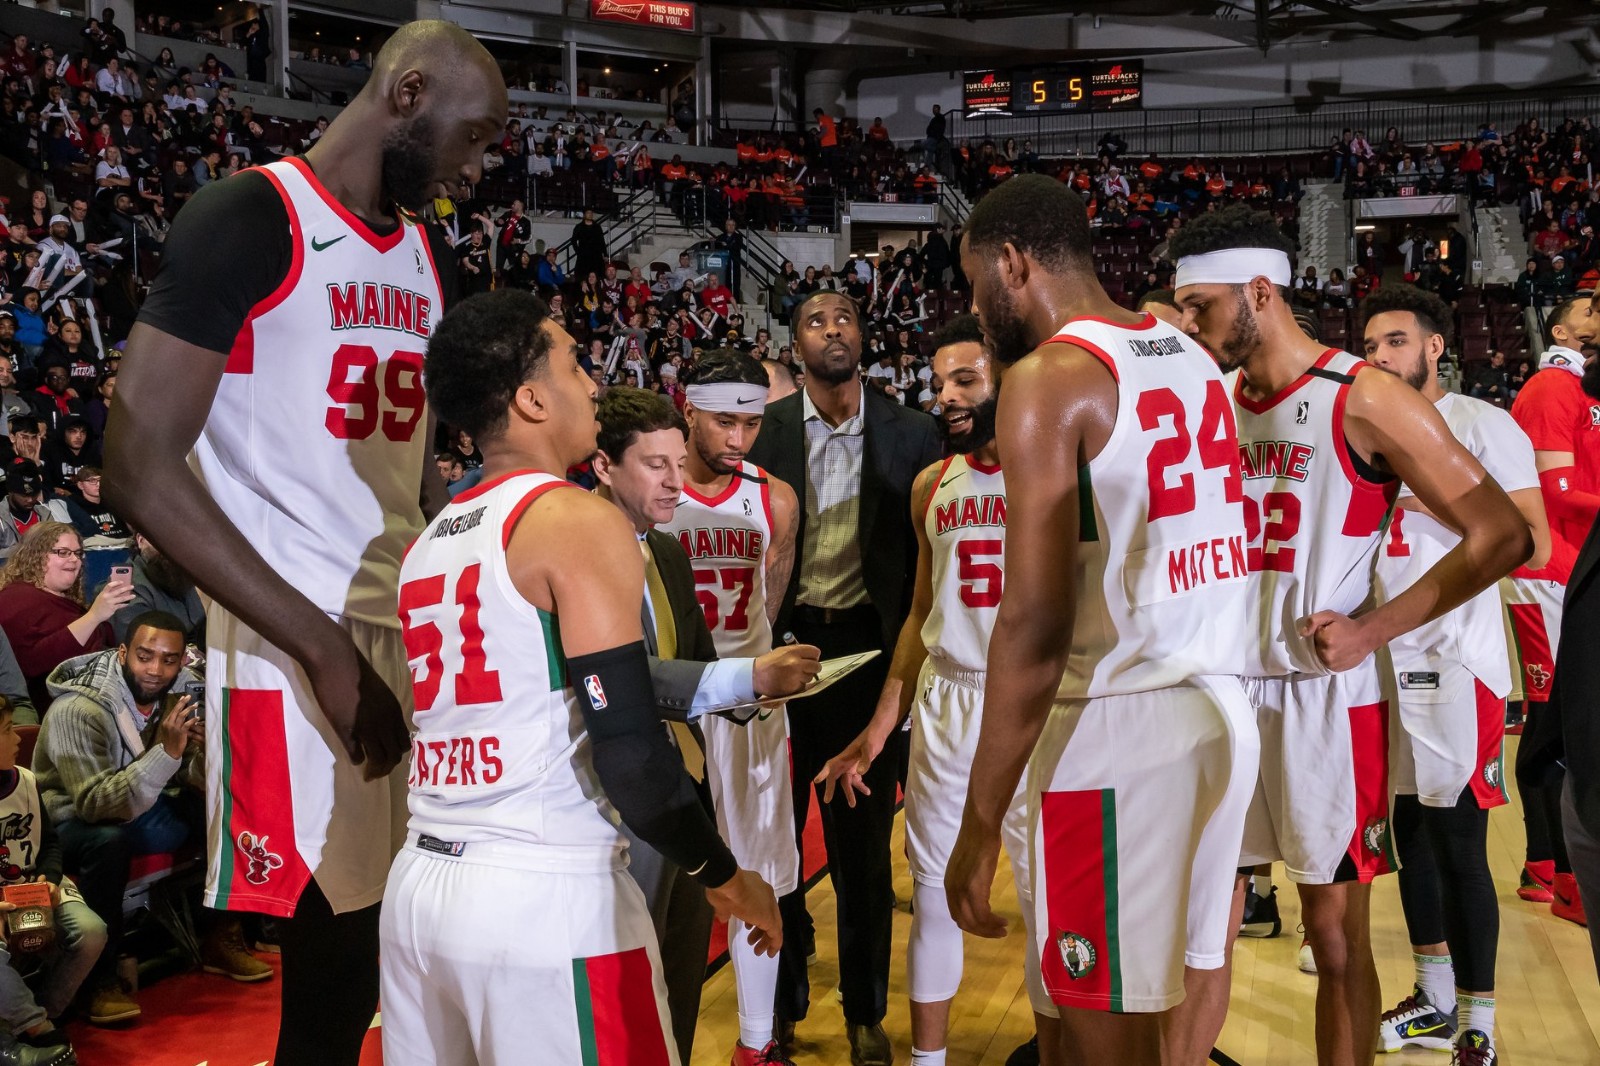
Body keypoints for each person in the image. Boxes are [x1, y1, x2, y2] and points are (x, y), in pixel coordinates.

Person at [103, 22, 509, 1066]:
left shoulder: (428, 253)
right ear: (408, 94)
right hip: (293, 635)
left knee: (394, 946)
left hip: (402, 625)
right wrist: (324, 650)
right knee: (337, 962)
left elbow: (419, 470)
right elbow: (137, 466)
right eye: (472, 136)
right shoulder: (250, 216)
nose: (477, 166)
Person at [378, 289, 782, 1065]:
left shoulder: (431, 540)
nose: (594, 382)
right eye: (573, 364)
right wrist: (726, 876)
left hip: (421, 891)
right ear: (531, 400)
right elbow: (629, 746)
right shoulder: (576, 518)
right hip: (545, 895)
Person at [1168, 205, 1530, 1066]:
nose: (1189, 324)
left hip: (1323, 700)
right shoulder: (1207, 401)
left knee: (1333, 937)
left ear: (1261, 292)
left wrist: (1373, 630)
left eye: (1200, 305)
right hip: (1219, 693)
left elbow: (1503, 535)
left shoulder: (1361, 396)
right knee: (1198, 938)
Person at [932, 175, 1251, 1066]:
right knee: (1156, 1006)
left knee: (1104, 1031)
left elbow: (1034, 625)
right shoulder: (1186, 349)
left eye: (975, 283)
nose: (974, 307)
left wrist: (978, 825)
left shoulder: (1049, 377)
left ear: (1011, 263)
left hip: (1120, 727)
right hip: (1216, 707)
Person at [815, 314, 1059, 1066]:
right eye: (938, 381)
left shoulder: (1057, 470)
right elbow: (922, 616)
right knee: (932, 891)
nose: (944, 395)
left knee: (1047, 896)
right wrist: (878, 727)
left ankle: (1055, 1049)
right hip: (950, 698)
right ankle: (928, 1060)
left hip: (1037, 700)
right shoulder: (931, 485)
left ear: (1007, 381)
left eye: (964, 380)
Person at [746, 289, 941, 1063]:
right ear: (794, 344)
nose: (833, 329)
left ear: (863, 336)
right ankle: (782, 1001)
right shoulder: (766, 431)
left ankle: (865, 1010)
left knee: (862, 849)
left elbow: (926, 564)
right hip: (785, 650)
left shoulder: (912, 431)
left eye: (845, 318)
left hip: (868, 654)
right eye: (815, 321)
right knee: (776, 837)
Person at [1362, 286, 1551, 1064]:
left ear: (1435, 347)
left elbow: (1533, 542)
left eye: (1395, 342)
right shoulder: (1365, 430)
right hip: (1383, 659)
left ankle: (1479, 1021)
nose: (1380, 357)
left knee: (1460, 843)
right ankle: (1434, 999)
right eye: (1370, 346)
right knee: (1409, 834)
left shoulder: (1482, 425)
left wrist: (1438, 503)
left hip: (1455, 663)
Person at [652, 352, 804, 1065]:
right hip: (672, 703)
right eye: (723, 422)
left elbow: (769, 609)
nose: (739, 438)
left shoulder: (775, 499)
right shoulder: (652, 488)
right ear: (688, 410)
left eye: (751, 423)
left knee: (757, 872)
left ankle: (755, 1042)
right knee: (663, 876)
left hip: (746, 706)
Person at [35, 610, 271, 1024]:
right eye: (145, 656)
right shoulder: (78, 710)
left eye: (168, 660)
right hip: (70, 822)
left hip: (140, 807)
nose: (155, 670)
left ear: (182, 661)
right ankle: (98, 982)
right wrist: (167, 753)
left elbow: (190, 776)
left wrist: (205, 754)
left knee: (224, 808)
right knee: (108, 842)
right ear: (123, 653)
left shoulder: (179, 695)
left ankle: (221, 935)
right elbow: (94, 804)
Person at [1505, 294, 1600, 929]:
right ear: (1560, 331)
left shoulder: (1583, 389)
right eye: (1590, 307)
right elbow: (1555, 490)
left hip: (1577, 568)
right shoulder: (1549, 389)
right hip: (1548, 572)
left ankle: (1554, 864)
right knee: (1551, 721)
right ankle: (1553, 869)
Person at [0, 693, 101, 1058]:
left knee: (91, 932)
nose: (18, 738)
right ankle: (37, 1028)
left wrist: (51, 879)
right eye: (7, 730)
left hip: (36, 885)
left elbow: (50, 843)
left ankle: (44, 1013)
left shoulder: (25, 779)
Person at [0, 524, 130, 714]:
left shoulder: (63, 598)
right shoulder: (14, 600)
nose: (74, 559)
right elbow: (32, 662)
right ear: (35, 556)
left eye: (78, 553)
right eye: (63, 552)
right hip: (54, 708)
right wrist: (93, 616)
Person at [110, 533, 204, 645]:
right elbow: (142, 648)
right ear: (140, 540)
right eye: (160, 538)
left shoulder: (178, 574)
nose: (168, 547)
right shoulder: (128, 588)